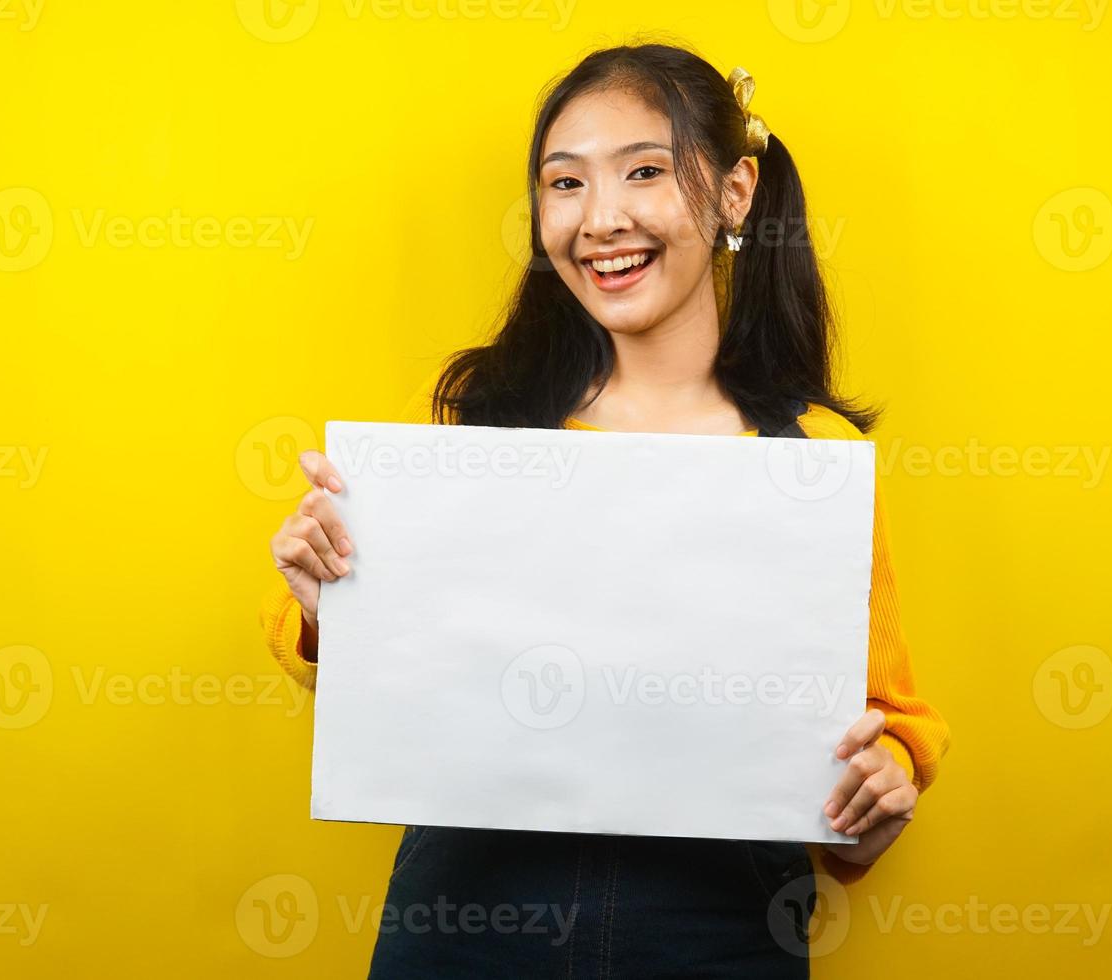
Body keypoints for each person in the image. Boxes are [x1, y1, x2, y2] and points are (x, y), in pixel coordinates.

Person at [260, 40, 951, 978]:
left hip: (718, 936)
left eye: (645, 172)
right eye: (565, 183)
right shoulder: (479, 429)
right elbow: (391, 674)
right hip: (467, 930)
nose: (602, 219)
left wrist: (884, 782)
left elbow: (863, 780)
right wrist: (321, 592)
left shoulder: (811, 461)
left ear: (735, 194)